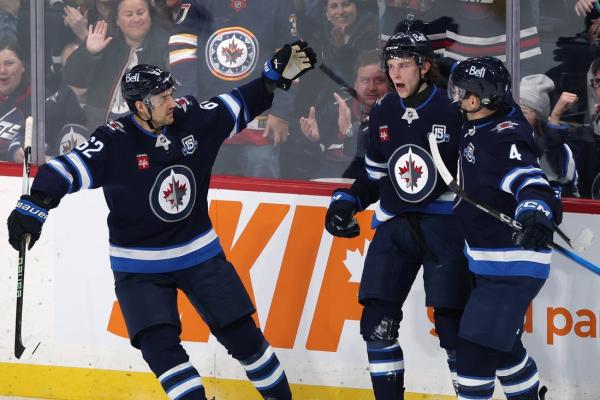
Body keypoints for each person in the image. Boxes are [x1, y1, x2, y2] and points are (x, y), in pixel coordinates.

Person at [6, 41, 317, 400]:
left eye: (171, 93)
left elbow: (237, 104)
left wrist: (271, 79)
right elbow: (66, 168)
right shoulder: (115, 141)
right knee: (161, 351)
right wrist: (37, 203)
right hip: (139, 268)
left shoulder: (192, 118)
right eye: (162, 97)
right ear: (140, 106)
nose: (172, 102)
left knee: (245, 340)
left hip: (200, 255)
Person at [324, 29, 471, 398]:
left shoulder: (454, 110)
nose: (395, 74)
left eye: (403, 65)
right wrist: (347, 201)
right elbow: (373, 177)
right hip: (395, 225)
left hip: (444, 226)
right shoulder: (384, 111)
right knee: (376, 325)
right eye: (391, 66)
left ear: (424, 66)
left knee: (452, 327)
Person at [446, 56, 562, 400]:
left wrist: (535, 210)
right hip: (489, 261)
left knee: (474, 352)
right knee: (504, 349)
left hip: (511, 265)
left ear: (477, 99)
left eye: (461, 92)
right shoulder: (490, 112)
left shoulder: (503, 137)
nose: (455, 98)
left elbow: (529, 180)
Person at [169, 0, 298, 178]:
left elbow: (290, 55)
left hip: (260, 129)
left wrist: (280, 112)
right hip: (210, 126)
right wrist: (188, 109)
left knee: (263, 191)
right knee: (207, 192)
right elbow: (181, 56)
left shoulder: (278, 3)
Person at [63, 0, 170, 131]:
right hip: (104, 133)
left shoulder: (167, 45)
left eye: (140, 13)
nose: (136, 19)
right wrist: (88, 51)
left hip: (150, 135)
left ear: (150, 15)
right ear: (117, 20)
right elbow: (74, 80)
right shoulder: (107, 44)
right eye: (129, 14)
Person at [298, 48, 391, 179]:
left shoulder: (398, 116)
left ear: (390, 84)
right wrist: (312, 141)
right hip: (326, 185)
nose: (371, 87)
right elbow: (305, 166)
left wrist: (348, 132)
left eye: (379, 81)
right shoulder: (335, 111)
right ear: (355, 84)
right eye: (365, 80)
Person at [519, 74, 580, 197]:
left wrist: (555, 116)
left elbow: (553, 154)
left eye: (523, 111)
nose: (517, 116)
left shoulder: (555, 146)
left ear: (538, 117)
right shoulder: (507, 139)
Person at [0, 39, 30, 163]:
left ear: (23, 66)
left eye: (9, 63)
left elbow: (46, 137)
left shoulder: (39, 99)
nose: (2, 70)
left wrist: (15, 150)